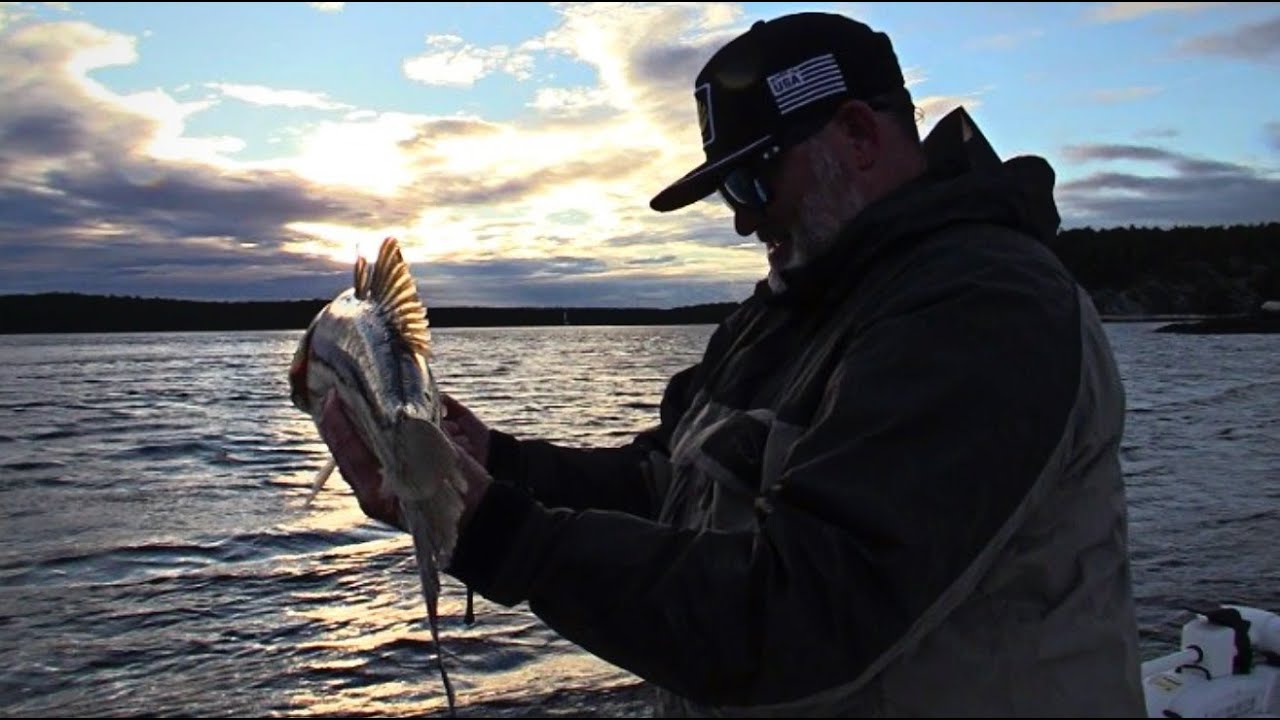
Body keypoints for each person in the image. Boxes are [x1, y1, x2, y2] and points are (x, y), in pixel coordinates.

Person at [315, 11, 1147, 717]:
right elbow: (663, 482)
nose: (744, 224)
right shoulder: (785, 310)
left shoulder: (986, 307)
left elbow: (805, 614)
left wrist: (497, 530)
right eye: (727, 193)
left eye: (752, 181)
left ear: (857, 135)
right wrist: (495, 462)